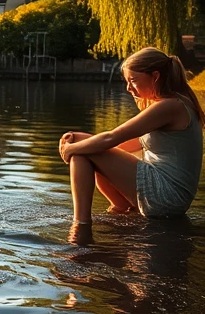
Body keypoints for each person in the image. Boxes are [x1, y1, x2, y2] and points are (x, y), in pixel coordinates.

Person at [58, 47, 204, 243]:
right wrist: (80, 142)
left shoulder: (170, 106)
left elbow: (112, 138)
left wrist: (71, 149)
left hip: (166, 195)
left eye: (133, 81)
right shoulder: (173, 104)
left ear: (155, 77)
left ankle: (80, 227)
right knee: (84, 143)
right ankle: (121, 210)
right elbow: (121, 146)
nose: (128, 88)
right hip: (170, 198)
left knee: (83, 146)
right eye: (127, 81)